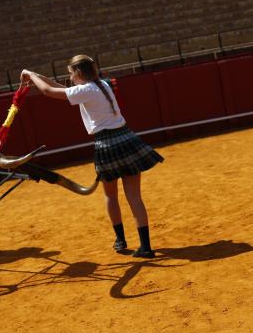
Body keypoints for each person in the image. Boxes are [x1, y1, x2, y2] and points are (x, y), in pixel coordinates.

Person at [20, 56, 163, 258]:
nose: (69, 77)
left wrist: (31, 74)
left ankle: (121, 240)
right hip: (126, 139)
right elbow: (60, 88)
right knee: (134, 197)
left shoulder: (85, 91)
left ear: (78, 74)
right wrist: (38, 76)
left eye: (70, 73)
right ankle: (146, 246)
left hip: (106, 145)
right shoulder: (102, 85)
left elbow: (48, 91)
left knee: (110, 195)